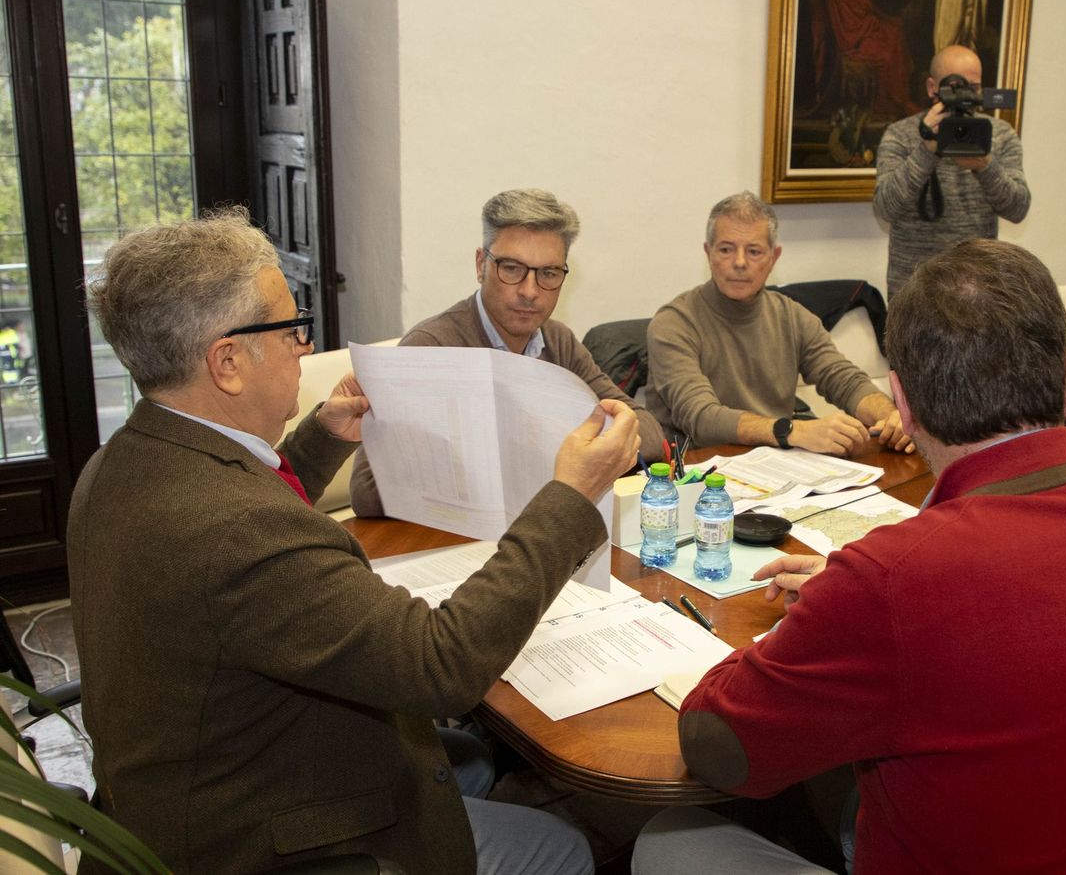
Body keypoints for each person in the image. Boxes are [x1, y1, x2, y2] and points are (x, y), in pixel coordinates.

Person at [635, 240, 1066, 874]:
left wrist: (825, 616)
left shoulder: (893, 580)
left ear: (902, 399)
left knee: (669, 843)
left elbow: (717, 748)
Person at [69, 208, 639, 874]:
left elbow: (242, 511)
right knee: (559, 847)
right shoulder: (235, 530)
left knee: (473, 759)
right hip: (258, 835)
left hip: (189, 780)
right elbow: (439, 666)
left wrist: (316, 439)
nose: (304, 348)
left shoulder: (126, 460)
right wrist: (568, 499)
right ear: (227, 362)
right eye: (289, 330)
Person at [349, 188, 664, 517]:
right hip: (450, 539)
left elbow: (649, 432)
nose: (530, 292)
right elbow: (368, 491)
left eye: (548, 274)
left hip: (535, 527)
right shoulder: (432, 347)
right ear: (481, 264)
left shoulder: (558, 341)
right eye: (512, 269)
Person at [645, 191, 912, 457]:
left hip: (777, 467)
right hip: (696, 472)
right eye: (726, 249)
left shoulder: (793, 317)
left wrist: (891, 417)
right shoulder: (673, 324)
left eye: (754, 251)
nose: (739, 262)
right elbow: (701, 418)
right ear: (708, 253)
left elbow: (844, 380)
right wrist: (792, 431)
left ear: (773, 258)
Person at [871, 44, 1030, 298]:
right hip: (914, 290)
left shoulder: (1000, 135)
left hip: (978, 289)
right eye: (957, 87)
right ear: (932, 87)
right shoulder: (901, 134)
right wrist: (927, 151)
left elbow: (1018, 208)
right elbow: (885, 208)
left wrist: (985, 166)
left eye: (974, 88)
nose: (966, 96)